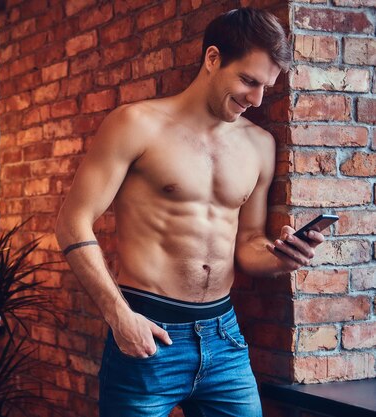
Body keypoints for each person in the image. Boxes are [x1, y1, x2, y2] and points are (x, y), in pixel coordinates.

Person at [55, 7, 326, 417]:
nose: (256, 99)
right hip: (148, 334)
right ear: (213, 58)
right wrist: (118, 316)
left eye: (266, 87)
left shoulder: (260, 146)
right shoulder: (136, 124)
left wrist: (281, 256)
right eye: (249, 81)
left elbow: (248, 243)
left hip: (225, 340)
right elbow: (72, 222)